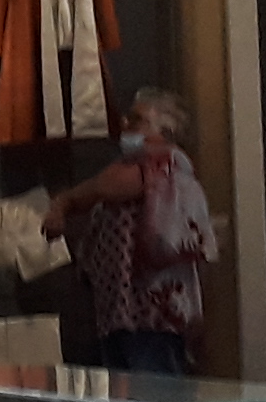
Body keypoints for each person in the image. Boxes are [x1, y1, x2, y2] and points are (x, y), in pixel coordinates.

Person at [51, 86, 217, 375]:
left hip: (151, 316)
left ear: (165, 132)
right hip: (122, 313)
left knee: (153, 389)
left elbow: (107, 186)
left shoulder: (163, 164)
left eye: (137, 120)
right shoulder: (137, 165)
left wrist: (65, 202)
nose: (125, 124)